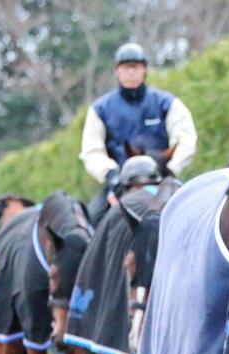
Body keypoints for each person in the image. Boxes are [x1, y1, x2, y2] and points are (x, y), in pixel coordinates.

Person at [80, 42, 197, 223]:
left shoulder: (168, 103)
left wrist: (171, 169)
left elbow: (186, 140)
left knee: (195, 216)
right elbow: (91, 150)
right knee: (92, 220)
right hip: (120, 182)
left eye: (136, 67)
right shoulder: (100, 109)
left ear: (145, 70)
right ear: (116, 71)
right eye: (126, 67)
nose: (131, 72)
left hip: (162, 179)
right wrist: (110, 175)